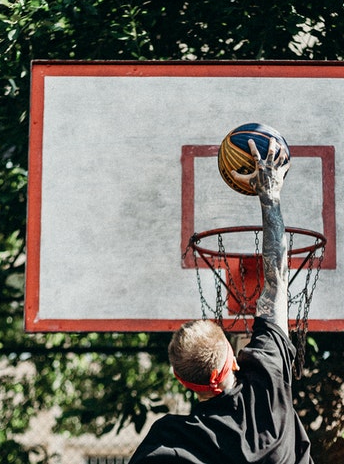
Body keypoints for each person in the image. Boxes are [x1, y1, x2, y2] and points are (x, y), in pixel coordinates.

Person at [129, 139, 313, 464]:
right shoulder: (267, 387)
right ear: (233, 356)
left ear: (182, 380)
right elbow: (277, 280)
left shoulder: (173, 440)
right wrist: (270, 195)